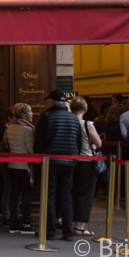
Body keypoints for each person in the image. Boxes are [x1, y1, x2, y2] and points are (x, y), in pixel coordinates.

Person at [34, 89, 81, 242]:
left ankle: (49, 231)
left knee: (49, 195)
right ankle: (68, 232)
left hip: (50, 161)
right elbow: (78, 142)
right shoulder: (74, 119)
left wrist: (38, 157)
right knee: (66, 196)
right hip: (69, 161)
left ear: (51, 102)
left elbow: (39, 143)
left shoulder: (46, 117)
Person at [71, 96, 102, 237]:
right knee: (85, 195)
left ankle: (71, 223)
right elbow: (99, 143)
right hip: (87, 161)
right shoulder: (88, 124)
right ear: (85, 108)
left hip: (72, 161)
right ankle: (80, 226)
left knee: (73, 192)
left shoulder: (69, 122)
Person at [3, 103, 35, 234]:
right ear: (23, 115)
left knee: (14, 193)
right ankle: (26, 222)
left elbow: (6, 143)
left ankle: (13, 222)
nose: (32, 114)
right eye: (30, 112)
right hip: (25, 166)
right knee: (26, 195)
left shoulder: (10, 128)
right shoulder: (27, 130)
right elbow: (31, 150)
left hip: (12, 165)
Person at [0, 107, 16, 226]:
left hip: (11, 162)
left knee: (11, 188)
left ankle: (10, 214)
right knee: (9, 188)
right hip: (7, 163)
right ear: (9, 118)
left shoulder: (10, 129)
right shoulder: (5, 130)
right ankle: (7, 215)